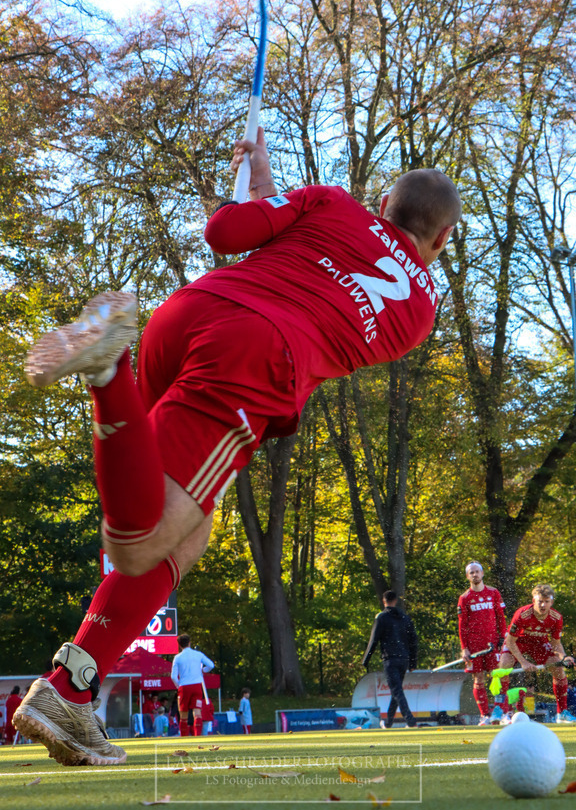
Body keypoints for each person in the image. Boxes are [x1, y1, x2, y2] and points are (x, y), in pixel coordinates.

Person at [14, 128, 461, 766]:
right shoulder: (418, 312)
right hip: (254, 356)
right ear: (440, 240)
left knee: (187, 533)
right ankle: (106, 371)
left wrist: (257, 191)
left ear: (383, 199)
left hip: (190, 311)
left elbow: (229, 236)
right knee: (141, 539)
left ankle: (70, 689)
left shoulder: (333, 203)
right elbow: (331, 285)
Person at [498, 584, 575, 725]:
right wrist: (523, 662)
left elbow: (556, 643)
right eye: (540, 601)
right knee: (503, 666)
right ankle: (503, 712)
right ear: (533, 600)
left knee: (558, 670)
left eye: (546, 601)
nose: (543, 605)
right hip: (518, 642)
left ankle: (562, 713)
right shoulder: (522, 614)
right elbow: (509, 641)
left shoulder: (556, 618)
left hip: (539, 644)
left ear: (551, 602)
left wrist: (564, 657)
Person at [457, 562, 506, 725]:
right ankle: (485, 715)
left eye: (477, 572)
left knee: (497, 676)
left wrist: (502, 637)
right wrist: (464, 648)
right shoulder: (464, 598)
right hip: (474, 646)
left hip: (493, 642)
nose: (474, 575)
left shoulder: (493, 593)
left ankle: (499, 711)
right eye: (471, 572)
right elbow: (462, 625)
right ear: (467, 576)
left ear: (483, 573)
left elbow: (500, 617)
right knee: (479, 679)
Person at [361, 590, 419, 729]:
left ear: (384, 600)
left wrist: (366, 660)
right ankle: (388, 722)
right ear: (396, 601)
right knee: (396, 690)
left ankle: (410, 721)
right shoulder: (405, 618)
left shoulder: (381, 617)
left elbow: (374, 640)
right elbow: (413, 640)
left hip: (390, 659)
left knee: (397, 690)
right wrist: (413, 662)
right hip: (404, 659)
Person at [170, 634, 214, 737]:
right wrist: (203, 670)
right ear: (189, 642)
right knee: (197, 712)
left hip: (184, 686)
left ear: (179, 645)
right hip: (197, 686)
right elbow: (211, 665)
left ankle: (184, 736)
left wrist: (178, 686)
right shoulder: (198, 654)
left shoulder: (177, 657)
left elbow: (173, 676)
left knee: (183, 714)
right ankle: (197, 736)